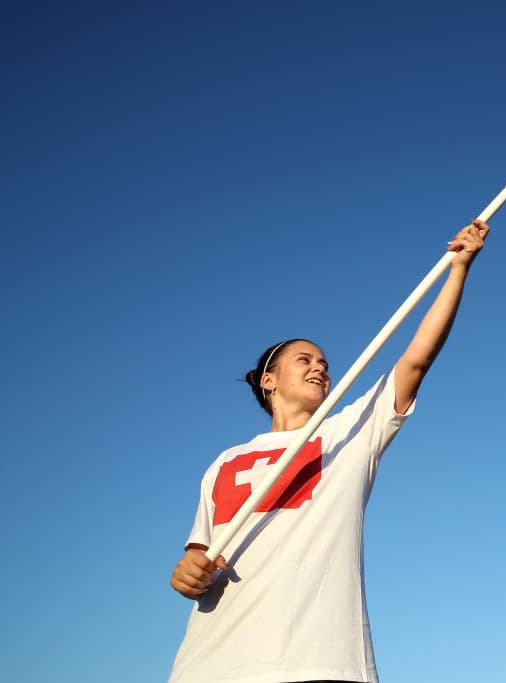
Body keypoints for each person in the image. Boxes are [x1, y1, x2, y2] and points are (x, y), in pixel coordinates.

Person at [168, 220, 489, 683]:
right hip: (210, 667)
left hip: (323, 662)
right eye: (305, 360)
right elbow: (198, 557)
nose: (320, 368)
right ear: (269, 380)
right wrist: (185, 575)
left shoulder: (350, 432)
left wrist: (459, 268)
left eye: (325, 364)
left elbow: (416, 358)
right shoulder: (224, 462)